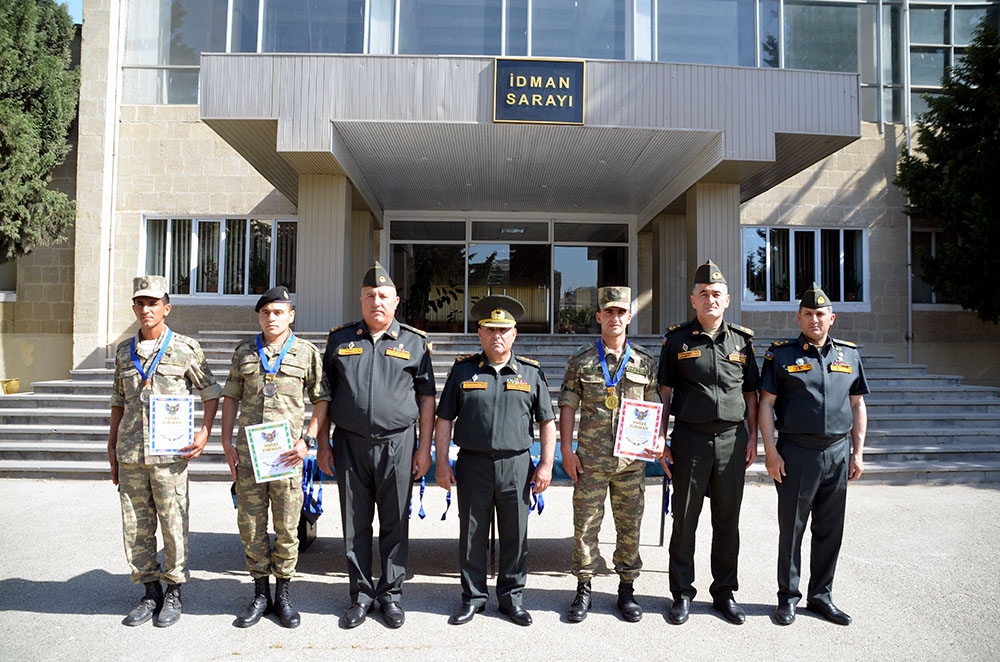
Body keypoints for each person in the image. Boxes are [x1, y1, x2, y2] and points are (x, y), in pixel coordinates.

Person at [318, 262, 436, 629]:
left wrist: (424, 448)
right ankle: (360, 595)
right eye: (370, 296)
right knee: (355, 523)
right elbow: (324, 395)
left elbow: (427, 398)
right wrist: (322, 444)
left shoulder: (414, 342)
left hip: (397, 444)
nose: (377, 301)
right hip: (349, 443)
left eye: (384, 295)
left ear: (396, 301)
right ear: (361, 300)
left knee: (394, 523)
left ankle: (391, 595)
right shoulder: (339, 340)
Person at [434, 295, 556, 627]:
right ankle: (473, 597)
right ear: (480, 333)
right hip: (473, 463)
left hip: (516, 464)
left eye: (503, 330)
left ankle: (511, 598)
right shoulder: (463, 370)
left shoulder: (530, 373)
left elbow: (547, 421)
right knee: (472, 533)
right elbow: (444, 419)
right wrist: (442, 462)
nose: (496, 336)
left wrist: (546, 464)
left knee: (515, 534)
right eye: (490, 329)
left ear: (514, 333)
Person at [108, 275, 221, 628]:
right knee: (136, 526)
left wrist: (204, 433)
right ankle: (149, 591)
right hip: (131, 453)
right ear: (134, 308)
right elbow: (118, 400)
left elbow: (210, 391)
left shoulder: (185, 348)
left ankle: (173, 589)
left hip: (170, 457)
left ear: (166, 308)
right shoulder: (123, 351)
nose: (146, 309)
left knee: (173, 522)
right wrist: (111, 446)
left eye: (153, 303)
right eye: (140, 303)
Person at [758, 282, 869, 626]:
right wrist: (770, 451)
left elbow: (857, 404)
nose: (814, 319)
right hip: (797, 452)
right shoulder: (781, 355)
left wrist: (858, 453)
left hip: (837, 451)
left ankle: (821, 596)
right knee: (792, 529)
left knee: (830, 529)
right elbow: (766, 404)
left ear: (831, 318)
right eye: (808, 314)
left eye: (820, 314)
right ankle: (787, 597)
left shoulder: (849, 355)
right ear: (799, 317)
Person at [219, 286, 330, 628]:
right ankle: (259, 594)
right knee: (251, 526)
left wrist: (308, 440)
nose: (272, 318)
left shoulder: (306, 353)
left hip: (287, 458)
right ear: (259, 316)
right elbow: (230, 396)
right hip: (250, 457)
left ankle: (283, 595)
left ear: (291, 315)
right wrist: (225, 442)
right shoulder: (244, 352)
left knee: (286, 527)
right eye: (266, 313)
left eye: (278, 312)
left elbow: (322, 398)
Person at [657, 260, 759, 626]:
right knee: (685, 520)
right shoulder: (677, 340)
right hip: (690, 439)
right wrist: (661, 440)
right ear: (693, 300)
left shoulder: (742, 342)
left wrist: (754, 438)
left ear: (727, 300)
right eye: (703, 293)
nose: (710, 299)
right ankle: (682, 593)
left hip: (732, 440)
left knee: (727, 521)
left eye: (716, 294)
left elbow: (751, 394)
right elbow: (665, 393)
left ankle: (724, 592)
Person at [559, 286, 660, 623]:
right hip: (590, 461)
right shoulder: (582, 360)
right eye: (609, 312)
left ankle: (626, 589)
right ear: (599, 316)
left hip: (631, 462)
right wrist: (567, 449)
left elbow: (655, 404)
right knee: (585, 526)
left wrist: (658, 438)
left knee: (629, 526)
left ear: (629, 317)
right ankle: (583, 587)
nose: (615, 318)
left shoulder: (645, 361)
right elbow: (568, 405)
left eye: (621, 312)